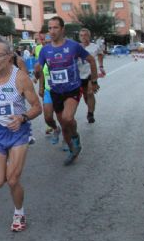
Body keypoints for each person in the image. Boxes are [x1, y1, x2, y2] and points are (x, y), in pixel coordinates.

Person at [0, 37, 41, 232]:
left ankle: (19, 213)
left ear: (9, 56)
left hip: (18, 132)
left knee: (12, 180)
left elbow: (37, 107)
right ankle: (8, 162)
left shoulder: (20, 77)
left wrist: (22, 117)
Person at [36, 16, 98, 166]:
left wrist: (94, 81)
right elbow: (39, 69)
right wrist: (37, 72)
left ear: (62, 29)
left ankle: (75, 136)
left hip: (72, 90)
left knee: (68, 118)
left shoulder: (73, 46)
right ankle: (72, 150)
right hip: (56, 91)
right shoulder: (45, 50)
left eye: (55, 27)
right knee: (64, 124)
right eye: (49, 28)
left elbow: (91, 60)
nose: (52, 31)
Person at [78, 29, 105, 123]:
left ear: (89, 36)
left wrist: (101, 66)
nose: (83, 37)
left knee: (90, 93)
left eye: (85, 35)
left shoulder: (94, 47)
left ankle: (90, 114)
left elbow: (101, 55)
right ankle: (90, 107)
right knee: (86, 95)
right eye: (81, 35)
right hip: (79, 75)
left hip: (91, 74)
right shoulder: (76, 47)